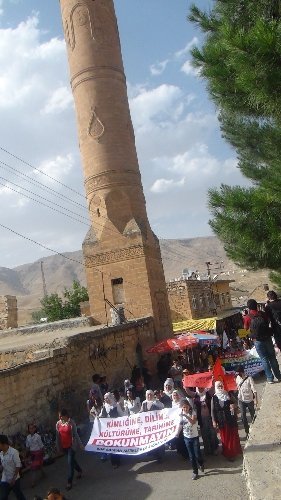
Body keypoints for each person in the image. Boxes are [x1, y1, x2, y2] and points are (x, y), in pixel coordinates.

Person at [244, 299, 281, 383]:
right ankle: (279, 376)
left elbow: (245, 329)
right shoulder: (262, 314)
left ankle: (270, 378)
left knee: (264, 359)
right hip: (267, 338)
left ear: (248, 308)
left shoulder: (247, 317)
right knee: (272, 357)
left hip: (257, 341)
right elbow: (268, 322)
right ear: (256, 305)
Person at [211, 381, 242, 461]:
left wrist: (233, 406)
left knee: (232, 436)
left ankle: (233, 452)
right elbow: (213, 410)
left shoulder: (228, 394)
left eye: (221, 385)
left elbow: (236, 403)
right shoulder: (214, 398)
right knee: (225, 438)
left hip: (230, 418)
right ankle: (228, 453)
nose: (220, 387)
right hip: (221, 420)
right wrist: (214, 421)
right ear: (216, 387)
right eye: (218, 386)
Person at [56, 409, 84, 490]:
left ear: (65, 415)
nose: (60, 417)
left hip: (71, 446)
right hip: (64, 446)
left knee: (70, 463)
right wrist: (58, 447)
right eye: (59, 416)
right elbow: (57, 436)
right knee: (72, 461)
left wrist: (80, 444)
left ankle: (69, 482)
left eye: (61, 416)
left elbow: (76, 434)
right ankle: (79, 470)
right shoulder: (58, 424)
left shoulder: (71, 423)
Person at [177, 399, 204, 480]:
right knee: (191, 456)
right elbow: (180, 425)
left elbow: (192, 422)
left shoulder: (193, 412)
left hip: (194, 437)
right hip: (186, 437)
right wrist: (177, 433)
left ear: (189, 406)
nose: (185, 409)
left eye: (186, 407)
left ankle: (201, 463)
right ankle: (195, 472)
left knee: (197, 454)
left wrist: (185, 416)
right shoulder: (181, 415)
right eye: (183, 407)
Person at [139, 390, 165, 462]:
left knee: (158, 441)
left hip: (156, 426)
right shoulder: (144, 402)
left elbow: (163, 407)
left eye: (151, 394)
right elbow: (141, 411)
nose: (149, 396)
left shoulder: (156, 402)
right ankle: (154, 454)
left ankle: (160, 456)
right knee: (151, 440)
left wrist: (157, 401)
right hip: (148, 426)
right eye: (148, 395)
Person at [99, 393, 123, 468]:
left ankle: (117, 460)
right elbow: (101, 415)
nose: (105, 399)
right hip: (108, 429)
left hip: (116, 429)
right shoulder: (104, 406)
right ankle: (113, 462)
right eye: (104, 398)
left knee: (116, 445)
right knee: (111, 445)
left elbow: (121, 415)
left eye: (106, 398)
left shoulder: (116, 405)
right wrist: (98, 417)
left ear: (110, 398)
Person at [0, 434, 26, 500]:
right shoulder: (1, 454)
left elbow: (18, 465)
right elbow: (3, 465)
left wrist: (14, 479)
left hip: (14, 479)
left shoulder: (14, 452)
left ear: (3, 443)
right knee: (3, 497)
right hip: (5, 479)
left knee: (19, 495)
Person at [194, 388, 219, 455]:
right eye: (198, 387)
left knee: (213, 434)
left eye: (200, 387)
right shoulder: (196, 395)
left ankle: (214, 448)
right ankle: (207, 450)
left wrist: (213, 381)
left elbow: (213, 390)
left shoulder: (208, 393)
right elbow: (188, 393)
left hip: (210, 417)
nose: (199, 388)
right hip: (202, 419)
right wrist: (185, 386)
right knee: (204, 435)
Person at [235, 366, 257, 436]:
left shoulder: (249, 378)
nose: (238, 375)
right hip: (241, 400)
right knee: (243, 417)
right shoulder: (237, 379)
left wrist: (256, 399)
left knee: (253, 415)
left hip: (249, 399)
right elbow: (237, 389)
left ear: (242, 372)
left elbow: (254, 389)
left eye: (239, 373)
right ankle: (247, 432)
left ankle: (255, 428)